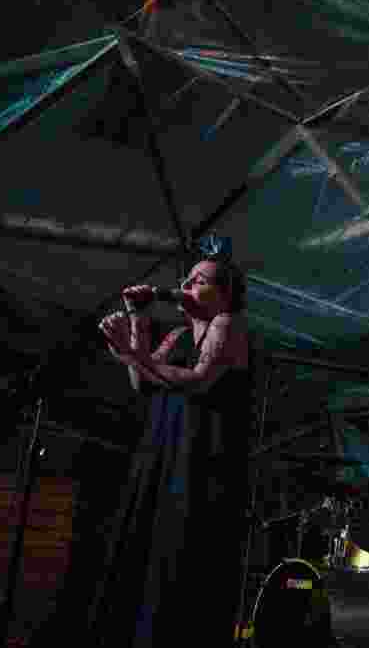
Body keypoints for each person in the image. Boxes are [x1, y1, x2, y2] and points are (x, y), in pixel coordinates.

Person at [92, 247, 254, 647]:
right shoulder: (180, 334)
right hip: (163, 449)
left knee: (183, 554)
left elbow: (199, 379)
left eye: (200, 281)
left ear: (226, 293)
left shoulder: (228, 324)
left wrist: (130, 352)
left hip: (203, 457)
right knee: (147, 547)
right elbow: (142, 380)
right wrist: (138, 319)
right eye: (186, 280)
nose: (186, 286)